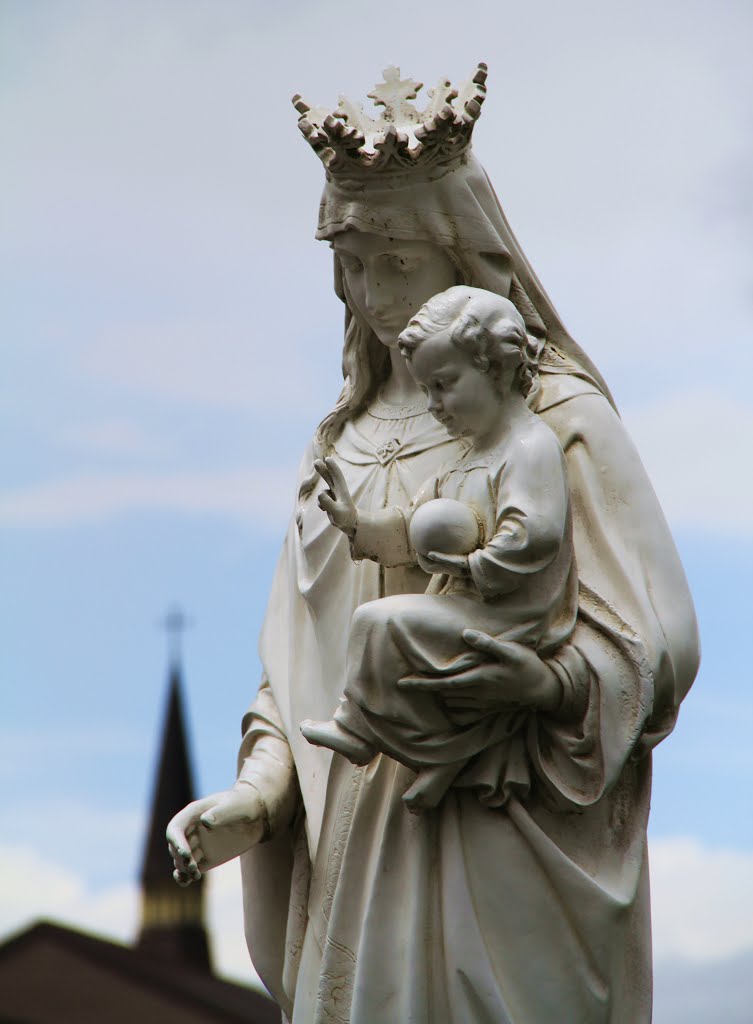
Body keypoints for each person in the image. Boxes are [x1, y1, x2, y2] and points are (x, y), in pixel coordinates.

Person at [167, 65, 699, 1023]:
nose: (371, 293)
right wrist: (260, 791)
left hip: (508, 824)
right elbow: (299, 665)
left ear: (465, 257)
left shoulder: (557, 420)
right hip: (360, 847)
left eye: (396, 264)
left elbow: (661, 638)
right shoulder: (343, 442)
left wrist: (542, 685)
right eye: (351, 264)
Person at [301, 287, 577, 814]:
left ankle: (361, 725)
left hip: (507, 615)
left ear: (494, 368)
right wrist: (356, 523)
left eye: (445, 385)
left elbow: (535, 531)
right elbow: (413, 528)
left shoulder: (529, 446)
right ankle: (442, 755)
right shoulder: (468, 456)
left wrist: (476, 564)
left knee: (378, 623)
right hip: (471, 604)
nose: (434, 405)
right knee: (378, 627)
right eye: (427, 389)